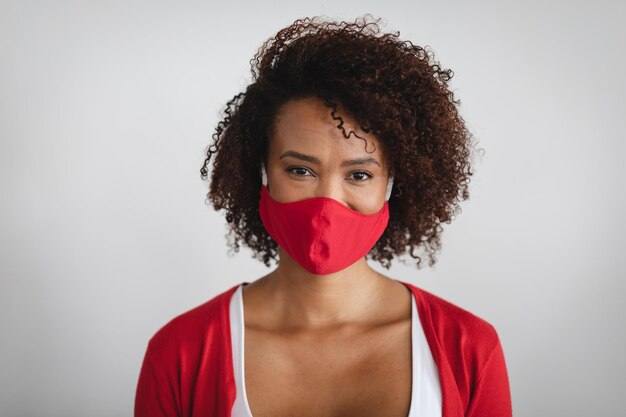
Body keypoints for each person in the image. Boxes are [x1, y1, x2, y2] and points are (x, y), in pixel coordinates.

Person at [135, 15, 512, 417]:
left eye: (359, 174)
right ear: (260, 171)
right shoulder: (180, 353)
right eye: (300, 170)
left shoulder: (468, 349)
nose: (327, 203)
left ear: (393, 183)